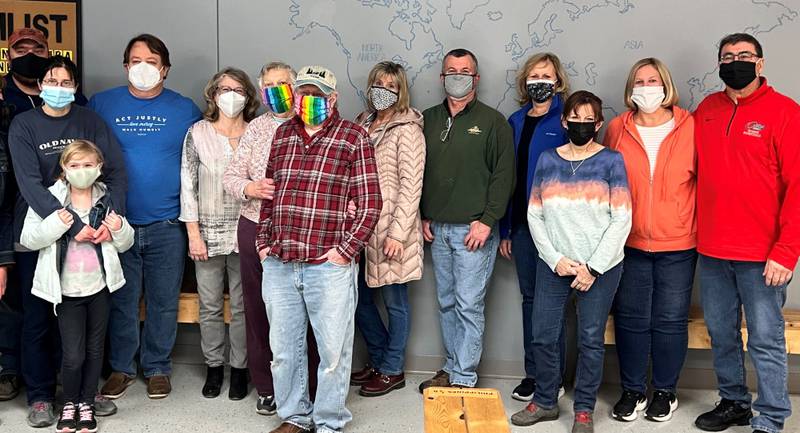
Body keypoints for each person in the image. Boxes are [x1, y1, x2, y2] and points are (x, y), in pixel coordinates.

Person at [256, 65, 382, 433]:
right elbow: (270, 194)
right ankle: (294, 416)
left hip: (328, 265)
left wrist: (345, 251)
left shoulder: (353, 137)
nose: (309, 99)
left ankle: (328, 422)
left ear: (333, 97)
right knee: (283, 352)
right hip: (280, 261)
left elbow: (370, 201)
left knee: (332, 354)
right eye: (303, 92)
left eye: (317, 93)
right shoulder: (282, 134)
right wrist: (263, 242)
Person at [8, 55, 127, 427]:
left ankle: (82, 395)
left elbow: (116, 172)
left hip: (91, 235)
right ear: (39, 84)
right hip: (42, 230)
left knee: (85, 326)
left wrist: (112, 218)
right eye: (52, 80)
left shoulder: (90, 120)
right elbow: (29, 183)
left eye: (66, 81)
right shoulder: (23, 124)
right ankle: (42, 396)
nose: (59, 88)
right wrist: (71, 224)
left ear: (75, 86)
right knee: (38, 319)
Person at [693, 33, 799, 433]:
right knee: (721, 334)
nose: (734, 61)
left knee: (765, 340)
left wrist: (786, 251)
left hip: (763, 255)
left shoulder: (786, 112)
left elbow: (798, 188)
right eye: (726, 56)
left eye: (743, 56)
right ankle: (734, 401)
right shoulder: (707, 110)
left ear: (760, 63)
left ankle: (771, 417)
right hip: (714, 250)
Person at [510, 90, 632, 433]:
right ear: (564, 122)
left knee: (591, 338)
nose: (580, 124)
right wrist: (556, 259)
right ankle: (546, 401)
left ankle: (583, 410)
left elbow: (621, 218)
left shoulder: (612, 162)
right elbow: (535, 215)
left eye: (587, 119)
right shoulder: (548, 160)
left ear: (598, 123)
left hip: (600, 268)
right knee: (544, 335)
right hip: (555, 265)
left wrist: (592, 267)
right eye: (574, 119)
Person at [90, 34, 202, 401]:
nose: (142, 67)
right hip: (116, 223)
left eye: (151, 60)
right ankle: (122, 367)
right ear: (125, 66)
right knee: (122, 300)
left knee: (163, 301)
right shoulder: (102, 104)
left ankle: (157, 367)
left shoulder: (185, 109)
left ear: (164, 69)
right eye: (135, 60)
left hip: (168, 223)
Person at [222, 61, 320, 415]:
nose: (277, 89)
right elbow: (232, 176)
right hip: (255, 225)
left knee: (307, 311)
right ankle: (266, 386)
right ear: (261, 91)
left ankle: (309, 385)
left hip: (302, 232)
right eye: (270, 85)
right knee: (259, 310)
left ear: (296, 87)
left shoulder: (311, 123)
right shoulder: (257, 129)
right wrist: (250, 186)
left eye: (284, 83)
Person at [603, 57, 697, 423]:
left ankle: (664, 391)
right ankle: (632, 391)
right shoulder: (616, 128)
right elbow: (606, 180)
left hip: (679, 242)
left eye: (653, 80)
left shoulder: (690, 125)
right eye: (639, 81)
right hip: (629, 243)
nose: (646, 86)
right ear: (630, 89)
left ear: (666, 85)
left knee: (671, 320)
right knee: (630, 318)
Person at [20, 140, 134, 433]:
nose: (81, 171)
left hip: (99, 288)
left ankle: (86, 403)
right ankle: (69, 402)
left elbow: (125, 243)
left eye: (87, 165)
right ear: (63, 169)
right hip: (67, 292)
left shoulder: (107, 198)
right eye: (74, 166)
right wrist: (57, 224)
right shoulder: (50, 199)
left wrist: (118, 229)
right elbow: (29, 239)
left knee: (96, 351)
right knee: (74, 354)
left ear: (98, 168)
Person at [418, 48, 515, 391]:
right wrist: (422, 215)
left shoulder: (493, 123)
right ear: (442, 77)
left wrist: (488, 220)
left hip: (474, 230)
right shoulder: (426, 119)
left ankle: (463, 377)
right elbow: (417, 172)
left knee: (468, 306)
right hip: (437, 230)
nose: (457, 76)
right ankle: (450, 366)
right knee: (446, 303)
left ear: (476, 78)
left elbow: (504, 177)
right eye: (451, 70)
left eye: (464, 70)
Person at [180, 67, 258, 400]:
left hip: (245, 231)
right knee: (210, 305)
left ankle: (240, 370)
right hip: (207, 232)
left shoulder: (257, 132)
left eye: (238, 89)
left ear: (248, 96)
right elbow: (187, 186)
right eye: (224, 88)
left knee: (243, 306)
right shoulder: (198, 133)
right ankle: (214, 368)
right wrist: (193, 235)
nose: (231, 95)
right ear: (213, 94)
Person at [349, 61, 425, 397]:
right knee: (358, 301)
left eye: (392, 86)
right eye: (379, 83)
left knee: (395, 303)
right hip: (359, 229)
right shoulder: (361, 123)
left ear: (401, 91)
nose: (384, 90)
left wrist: (397, 232)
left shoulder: (408, 129)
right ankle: (379, 360)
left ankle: (393, 369)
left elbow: (412, 185)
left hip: (392, 230)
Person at [498, 52, 569, 402]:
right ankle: (534, 373)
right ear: (525, 82)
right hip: (524, 227)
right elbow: (508, 178)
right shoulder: (515, 120)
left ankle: (552, 377)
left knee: (552, 304)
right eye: (533, 75)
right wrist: (506, 230)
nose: (539, 80)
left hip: (559, 228)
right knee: (530, 300)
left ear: (557, 81)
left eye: (546, 75)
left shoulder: (568, 118)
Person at [3, 28, 88, 129]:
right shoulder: (2, 93)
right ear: (8, 57)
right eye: (21, 51)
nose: (30, 56)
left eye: (38, 51)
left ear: (48, 55)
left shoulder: (68, 94)